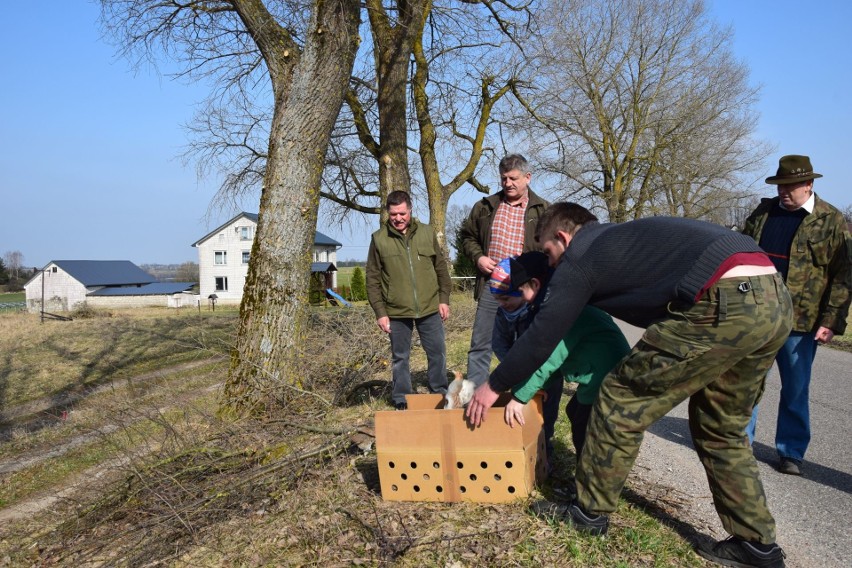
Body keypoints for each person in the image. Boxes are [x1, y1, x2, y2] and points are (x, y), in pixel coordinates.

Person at [466, 202, 793, 568]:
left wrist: (494, 385)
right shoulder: (620, 241)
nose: (550, 263)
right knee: (722, 428)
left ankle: (588, 514)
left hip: (723, 298)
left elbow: (545, 334)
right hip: (772, 295)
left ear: (562, 237)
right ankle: (756, 545)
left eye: (547, 251)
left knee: (619, 397)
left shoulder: (582, 253)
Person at [742, 155, 851, 476]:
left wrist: (831, 320)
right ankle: (740, 443)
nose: (784, 192)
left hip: (801, 322)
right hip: (757, 315)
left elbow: (844, 275)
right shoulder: (763, 213)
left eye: (790, 186)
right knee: (747, 383)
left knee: (795, 389)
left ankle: (791, 452)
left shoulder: (830, 220)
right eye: (780, 186)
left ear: (809, 184)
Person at [458, 154, 549, 387]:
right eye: (503, 178)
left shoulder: (543, 211)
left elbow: (551, 250)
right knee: (482, 342)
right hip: (493, 285)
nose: (508, 183)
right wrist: (478, 258)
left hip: (526, 288)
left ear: (528, 177)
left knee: (528, 342)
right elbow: (467, 237)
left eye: (513, 178)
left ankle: (525, 389)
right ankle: (475, 392)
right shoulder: (485, 207)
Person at [366, 191, 452, 410]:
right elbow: (373, 279)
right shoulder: (379, 239)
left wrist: (444, 298)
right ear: (388, 212)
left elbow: (441, 268)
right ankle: (402, 398)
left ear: (410, 210)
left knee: (437, 352)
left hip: (430, 306)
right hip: (395, 311)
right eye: (393, 214)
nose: (398, 218)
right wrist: (380, 312)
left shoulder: (426, 233)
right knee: (400, 357)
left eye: (402, 213)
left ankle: (439, 393)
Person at [488, 251, 565, 462]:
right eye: (497, 300)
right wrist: (515, 368)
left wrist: (539, 380)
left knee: (545, 416)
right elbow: (499, 344)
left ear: (521, 291)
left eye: (506, 298)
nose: (502, 304)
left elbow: (549, 352)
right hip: (520, 374)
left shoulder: (538, 311)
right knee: (520, 413)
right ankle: (521, 452)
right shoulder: (503, 315)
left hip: (548, 375)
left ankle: (544, 454)